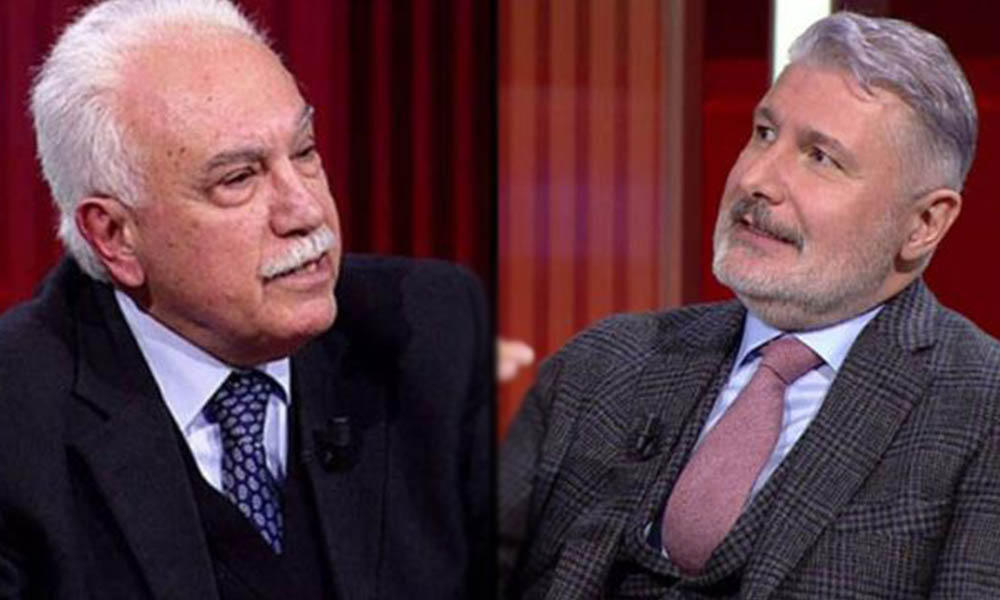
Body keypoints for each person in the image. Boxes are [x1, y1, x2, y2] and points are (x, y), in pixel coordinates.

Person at [500, 11, 1000, 599]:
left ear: (924, 223)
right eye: (764, 132)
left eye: (820, 157)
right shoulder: (603, 365)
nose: (757, 179)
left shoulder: (981, 410)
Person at [0, 0, 490, 598]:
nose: (306, 211)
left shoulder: (430, 331)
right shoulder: (17, 424)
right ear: (115, 236)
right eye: (238, 179)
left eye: (304, 152)